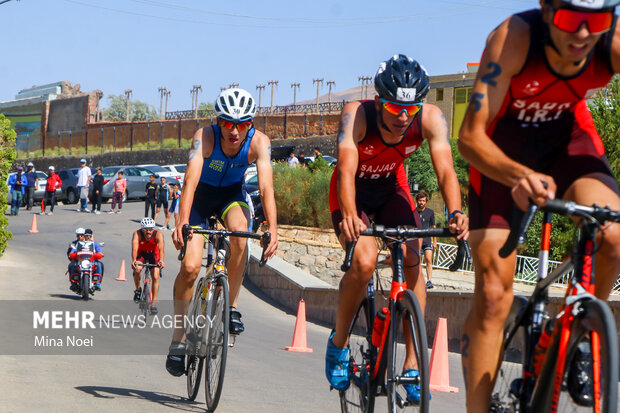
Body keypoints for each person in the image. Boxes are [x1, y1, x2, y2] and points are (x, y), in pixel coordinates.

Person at [457, 1, 620, 411]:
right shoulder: (512, 38)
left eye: (597, 21)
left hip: (567, 137)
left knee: (614, 235)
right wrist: (516, 176)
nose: (583, 34)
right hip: (501, 145)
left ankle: (580, 334)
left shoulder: (612, 43)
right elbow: (470, 138)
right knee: (493, 294)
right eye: (570, 19)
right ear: (547, 9)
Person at [325, 54, 469, 401]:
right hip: (353, 191)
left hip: (392, 187)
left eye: (411, 107)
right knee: (363, 261)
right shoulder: (357, 114)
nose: (404, 116)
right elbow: (345, 165)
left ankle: (412, 366)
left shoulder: (430, 118)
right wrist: (348, 214)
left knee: (413, 256)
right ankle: (339, 343)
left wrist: (455, 212)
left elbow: (446, 170)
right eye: (394, 107)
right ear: (379, 101)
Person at [166, 88, 279, 377]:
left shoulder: (259, 142)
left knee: (241, 234)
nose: (235, 131)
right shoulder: (204, 137)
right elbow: (190, 181)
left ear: (250, 124)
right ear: (218, 121)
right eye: (228, 123)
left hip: (231, 196)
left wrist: (273, 230)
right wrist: (181, 221)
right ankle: (178, 340)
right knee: (190, 267)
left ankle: (232, 306)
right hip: (199, 197)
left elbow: (266, 188)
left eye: (242, 124)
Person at [131, 217, 165, 314]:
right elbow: (134, 247)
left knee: (155, 275)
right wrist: (134, 260)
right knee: (137, 269)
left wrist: (162, 261)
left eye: (151, 229)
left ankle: (153, 303)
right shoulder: (137, 234)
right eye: (146, 229)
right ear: (142, 229)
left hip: (153, 255)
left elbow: (161, 249)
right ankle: (138, 290)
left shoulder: (158, 234)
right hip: (141, 254)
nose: (148, 232)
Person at [416, 190, 436, 289]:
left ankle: (429, 281)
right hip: (416, 240)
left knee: (428, 259)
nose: (422, 202)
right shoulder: (413, 212)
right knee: (417, 262)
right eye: (420, 200)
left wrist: (435, 241)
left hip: (427, 240)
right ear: (417, 201)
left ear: (426, 201)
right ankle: (419, 280)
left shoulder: (430, 212)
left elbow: (433, 227)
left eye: (423, 200)